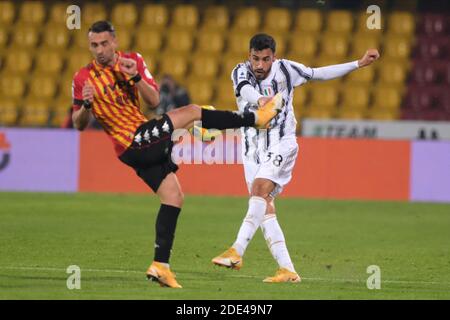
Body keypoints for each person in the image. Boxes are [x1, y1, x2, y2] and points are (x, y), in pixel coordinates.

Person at [71, 22, 284, 288]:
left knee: (173, 197)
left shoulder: (132, 61)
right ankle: (255, 118)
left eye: (104, 43)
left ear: (114, 41)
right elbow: (78, 123)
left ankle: (161, 266)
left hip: (140, 138)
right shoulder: (82, 78)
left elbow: (153, 101)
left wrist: (136, 77)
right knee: (193, 111)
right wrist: (87, 106)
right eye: (94, 45)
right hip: (132, 141)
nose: (99, 50)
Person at [212, 33, 379, 282]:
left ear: (273, 57)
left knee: (259, 190)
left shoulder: (286, 70)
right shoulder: (240, 71)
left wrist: (358, 63)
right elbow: (244, 90)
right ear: (249, 56)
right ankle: (288, 270)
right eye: (255, 59)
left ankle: (237, 250)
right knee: (265, 207)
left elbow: (319, 73)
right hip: (251, 150)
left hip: (282, 143)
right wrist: (261, 100)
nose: (259, 65)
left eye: (265, 59)